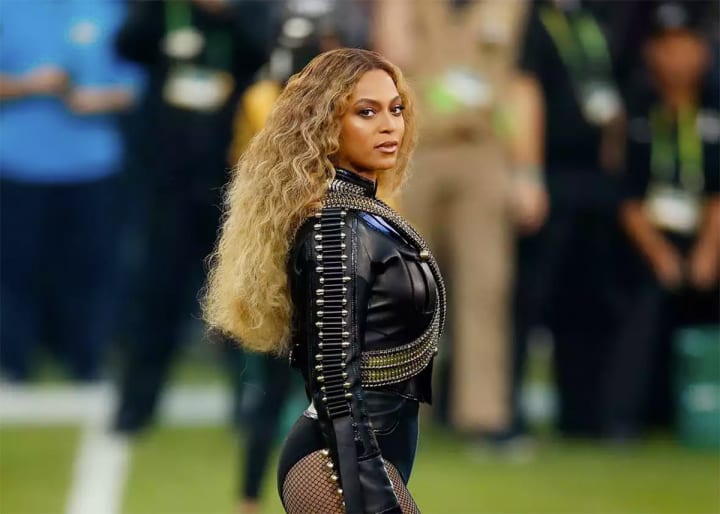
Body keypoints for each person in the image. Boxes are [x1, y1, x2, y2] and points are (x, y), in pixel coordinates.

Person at [203, 48, 446, 514]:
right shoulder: (336, 230)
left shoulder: (363, 213)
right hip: (339, 463)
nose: (389, 125)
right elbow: (336, 382)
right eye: (366, 112)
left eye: (396, 109)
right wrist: (373, 495)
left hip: (364, 456)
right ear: (325, 125)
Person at [0, 0, 143, 381]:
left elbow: (137, 85)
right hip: (17, 162)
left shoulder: (107, 11)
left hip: (92, 163)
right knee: (15, 270)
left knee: (91, 270)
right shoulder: (7, 10)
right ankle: (13, 365)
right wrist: (29, 85)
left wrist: (95, 99)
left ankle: (88, 364)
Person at [601, 1, 720, 440]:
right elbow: (627, 198)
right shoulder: (636, 106)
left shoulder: (714, 103)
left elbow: (717, 193)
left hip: (707, 233)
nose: (677, 57)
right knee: (641, 297)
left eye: (686, 45)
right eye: (666, 46)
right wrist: (661, 255)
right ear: (651, 52)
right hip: (649, 237)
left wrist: (707, 253)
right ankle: (623, 418)